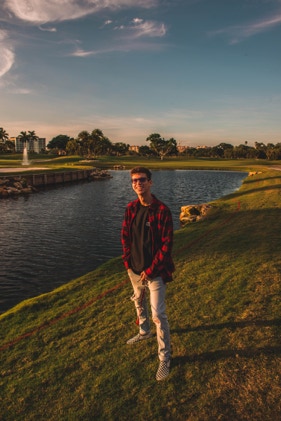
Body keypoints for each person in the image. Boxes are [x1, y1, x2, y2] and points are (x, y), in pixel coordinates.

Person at [121, 166, 175, 381]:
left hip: (155, 272)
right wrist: (128, 263)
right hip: (133, 269)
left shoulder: (162, 210)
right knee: (138, 300)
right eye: (134, 180)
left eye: (142, 180)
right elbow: (125, 237)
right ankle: (144, 331)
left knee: (158, 315)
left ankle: (165, 357)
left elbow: (166, 245)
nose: (138, 184)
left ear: (150, 182)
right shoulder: (131, 208)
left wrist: (150, 270)